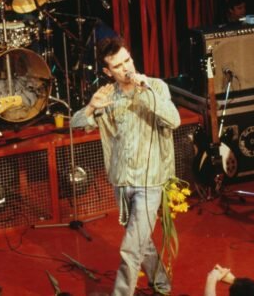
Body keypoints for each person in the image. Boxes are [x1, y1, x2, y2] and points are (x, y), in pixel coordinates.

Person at [70, 36, 181, 296]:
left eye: (128, 60)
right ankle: (161, 283)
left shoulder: (155, 86)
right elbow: (74, 126)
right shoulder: (108, 96)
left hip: (150, 181)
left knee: (131, 248)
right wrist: (89, 108)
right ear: (108, 72)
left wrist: (145, 94)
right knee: (140, 240)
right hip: (122, 181)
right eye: (118, 66)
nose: (127, 68)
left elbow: (174, 120)